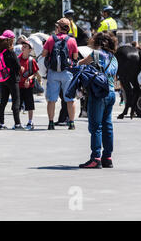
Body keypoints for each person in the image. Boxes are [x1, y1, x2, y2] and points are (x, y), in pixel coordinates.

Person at [77, 32, 118, 168]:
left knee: (96, 126)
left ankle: (95, 158)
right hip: (111, 93)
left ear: (98, 42)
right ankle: (107, 157)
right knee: (108, 125)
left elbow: (80, 63)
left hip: (98, 93)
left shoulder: (96, 54)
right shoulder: (114, 58)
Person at [41, 18, 79, 130]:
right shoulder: (72, 40)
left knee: (52, 99)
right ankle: (71, 123)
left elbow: (44, 54)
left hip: (53, 72)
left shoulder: (51, 39)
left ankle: (51, 123)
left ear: (58, 27)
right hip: (67, 72)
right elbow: (75, 57)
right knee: (70, 99)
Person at [0, 30, 23, 130]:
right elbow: (17, 66)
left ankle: (2, 124)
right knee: (16, 101)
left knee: (3, 102)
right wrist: (21, 69)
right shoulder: (11, 52)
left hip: (3, 79)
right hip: (13, 79)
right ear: (10, 39)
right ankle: (17, 124)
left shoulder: (1, 51)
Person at [18, 40, 39, 131]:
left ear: (30, 50)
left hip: (28, 86)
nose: (23, 47)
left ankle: (30, 121)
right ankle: (17, 122)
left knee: (30, 105)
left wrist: (29, 79)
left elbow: (35, 73)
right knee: (17, 105)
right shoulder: (17, 59)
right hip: (18, 86)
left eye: (25, 46)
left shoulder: (31, 60)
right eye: (22, 46)